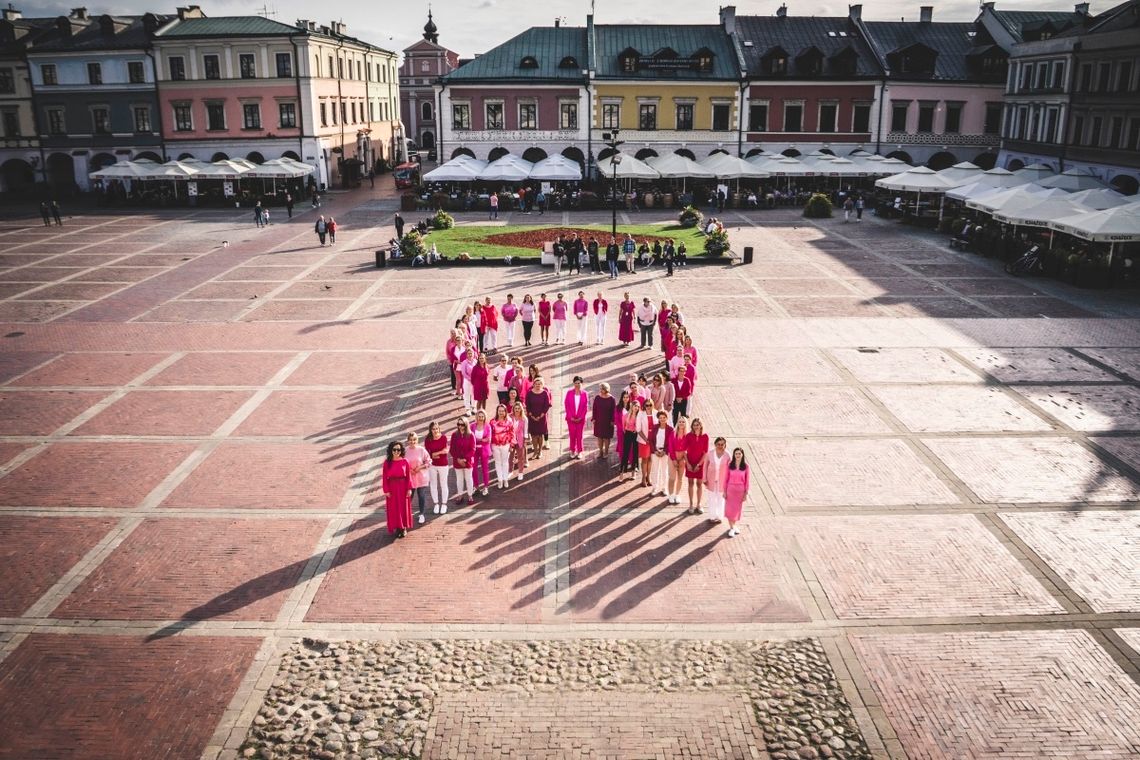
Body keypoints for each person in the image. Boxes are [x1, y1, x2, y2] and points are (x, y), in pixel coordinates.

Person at [381, 441, 413, 538]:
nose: (396, 451)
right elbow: (384, 477)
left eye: (398, 450)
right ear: (391, 450)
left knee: (403, 508)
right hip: (392, 488)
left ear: (401, 451)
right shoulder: (387, 463)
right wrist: (386, 490)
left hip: (403, 487)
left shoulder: (405, 461)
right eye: (394, 449)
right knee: (393, 508)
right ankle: (397, 527)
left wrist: (409, 489)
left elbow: (408, 476)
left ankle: (403, 528)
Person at [683, 418, 709, 514]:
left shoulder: (705, 436)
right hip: (690, 462)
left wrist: (699, 464)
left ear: (701, 425)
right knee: (690, 484)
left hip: (700, 463)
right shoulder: (688, 436)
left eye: (697, 424)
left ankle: (699, 504)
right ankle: (691, 505)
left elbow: (705, 452)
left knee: (699, 484)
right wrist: (688, 464)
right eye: (694, 425)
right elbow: (684, 451)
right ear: (692, 426)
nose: (696, 426)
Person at [405, 431, 431, 525]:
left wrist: (420, 467)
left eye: (414, 439)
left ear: (417, 440)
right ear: (408, 441)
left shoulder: (421, 450)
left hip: (421, 477)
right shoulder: (405, 451)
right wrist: (409, 470)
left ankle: (422, 514)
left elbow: (428, 461)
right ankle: (406, 514)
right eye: (411, 440)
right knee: (409, 496)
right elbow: (402, 463)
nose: (412, 442)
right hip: (410, 478)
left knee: (421, 496)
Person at [449, 418, 477, 505]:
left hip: (467, 461)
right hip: (457, 461)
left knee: (468, 479)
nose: (460, 426)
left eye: (462, 424)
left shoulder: (471, 435)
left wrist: (464, 459)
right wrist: (458, 459)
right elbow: (452, 449)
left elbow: (473, 449)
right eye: (458, 424)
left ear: (466, 424)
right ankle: (460, 495)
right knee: (459, 479)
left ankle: (470, 495)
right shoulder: (454, 435)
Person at [425, 420, 450, 514]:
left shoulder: (443, 438)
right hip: (432, 465)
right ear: (430, 430)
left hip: (443, 464)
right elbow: (427, 454)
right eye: (433, 429)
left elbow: (445, 452)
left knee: (443, 484)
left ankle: (444, 504)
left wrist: (436, 453)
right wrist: (434, 454)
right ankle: (436, 504)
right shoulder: (428, 439)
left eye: (436, 428)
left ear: (439, 429)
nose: (435, 431)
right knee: (433, 485)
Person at [724, 447, 749, 537]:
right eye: (736, 454)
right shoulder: (730, 465)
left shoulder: (746, 466)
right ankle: (731, 528)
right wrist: (724, 491)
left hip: (740, 491)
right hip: (730, 490)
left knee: (736, 510)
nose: (738, 455)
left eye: (739, 454)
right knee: (730, 510)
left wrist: (745, 494)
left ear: (742, 455)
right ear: (734, 455)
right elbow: (725, 479)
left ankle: (734, 526)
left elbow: (747, 481)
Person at [704, 437, 730, 524]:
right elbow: (705, 466)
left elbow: (730, 469)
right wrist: (704, 478)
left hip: (722, 481)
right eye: (718, 444)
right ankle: (712, 516)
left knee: (720, 498)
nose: (720, 446)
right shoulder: (710, 454)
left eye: (722, 444)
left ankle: (719, 516)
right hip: (711, 479)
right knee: (711, 498)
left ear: (725, 445)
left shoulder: (727, 455)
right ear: (715, 444)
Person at [649, 410, 675, 497]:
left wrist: (665, 451)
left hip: (665, 452)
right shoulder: (655, 427)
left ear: (667, 418)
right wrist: (655, 451)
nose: (662, 419)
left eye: (664, 417)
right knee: (655, 470)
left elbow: (671, 443)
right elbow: (651, 440)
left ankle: (664, 488)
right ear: (658, 419)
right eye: (660, 418)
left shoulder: (670, 429)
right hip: (655, 452)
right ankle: (654, 488)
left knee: (664, 471)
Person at [489, 404, 515, 490]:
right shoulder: (492, 422)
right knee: (497, 462)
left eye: (502, 411)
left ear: (505, 412)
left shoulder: (509, 421)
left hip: (506, 444)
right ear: (497, 411)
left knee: (505, 462)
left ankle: (505, 479)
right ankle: (500, 480)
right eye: (499, 411)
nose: (501, 412)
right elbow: (490, 434)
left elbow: (512, 433)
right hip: (495, 445)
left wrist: (511, 445)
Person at [525, 377, 551, 461]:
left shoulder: (545, 393)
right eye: (536, 384)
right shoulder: (529, 393)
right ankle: (535, 452)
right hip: (532, 416)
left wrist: (541, 415)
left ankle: (540, 452)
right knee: (533, 435)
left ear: (542, 385)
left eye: (539, 384)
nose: (538, 385)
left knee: (540, 435)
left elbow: (547, 405)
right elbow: (527, 405)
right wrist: (531, 415)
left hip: (542, 417)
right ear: (533, 384)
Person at [564, 375, 589, 460]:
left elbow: (585, 407)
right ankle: (572, 450)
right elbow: (566, 405)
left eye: (579, 383)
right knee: (572, 435)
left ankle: (580, 451)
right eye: (576, 383)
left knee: (579, 435)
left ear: (581, 383)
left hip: (580, 420)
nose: (577, 384)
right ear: (573, 383)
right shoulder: (569, 392)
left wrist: (581, 417)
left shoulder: (585, 393)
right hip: (570, 419)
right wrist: (571, 417)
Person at [618, 396, 642, 482]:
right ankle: (621, 472)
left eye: (638, 406)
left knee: (635, 453)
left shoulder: (640, 416)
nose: (636, 408)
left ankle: (633, 472)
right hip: (628, 434)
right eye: (635, 406)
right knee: (625, 453)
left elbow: (641, 426)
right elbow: (624, 427)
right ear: (632, 406)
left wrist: (636, 430)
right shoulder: (625, 415)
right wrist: (628, 431)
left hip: (636, 435)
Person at [591, 382, 616, 460]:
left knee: (606, 438)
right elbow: (594, 409)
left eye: (602, 388)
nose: (601, 390)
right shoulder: (597, 397)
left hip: (608, 421)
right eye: (600, 388)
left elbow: (613, 411)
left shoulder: (612, 399)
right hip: (599, 420)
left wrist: (612, 421)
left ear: (606, 389)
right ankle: (600, 452)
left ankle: (606, 452)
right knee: (600, 437)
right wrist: (594, 418)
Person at [471, 409, 493, 497]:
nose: (481, 418)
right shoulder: (472, 426)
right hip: (474, 450)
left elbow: (488, 439)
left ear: (484, 417)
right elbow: (470, 438)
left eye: (482, 416)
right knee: (474, 468)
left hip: (484, 450)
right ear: (476, 417)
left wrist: (478, 440)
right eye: (479, 416)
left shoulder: (487, 426)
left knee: (485, 469)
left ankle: (486, 487)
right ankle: (476, 486)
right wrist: (481, 440)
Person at [668, 417, 689, 505]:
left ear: (685, 424)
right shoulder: (673, 433)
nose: (681, 423)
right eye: (680, 421)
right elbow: (670, 447)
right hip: (673, 456)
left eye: (683, 422)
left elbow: (688, 448)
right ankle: (671, 495)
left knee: (680, 478)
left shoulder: (687, 435)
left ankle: (677, 494)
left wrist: (684, 458)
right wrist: (673, 459)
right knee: (672, 478)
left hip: (682, 458)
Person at [636, 399, 655, 487]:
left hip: (654, 441)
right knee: (644, 459)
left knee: (651, 459)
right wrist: (646, 439)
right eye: (646, 405)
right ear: (644, 406)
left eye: (650, 405)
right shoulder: (640, 414)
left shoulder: (656, 413)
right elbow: (638, 429)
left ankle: (649, 477)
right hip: (644, 440)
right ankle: (643, 478)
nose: (648, 407)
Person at [509, 400, 529, 481]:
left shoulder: (524, 418)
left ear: (521, 409)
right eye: (515, 408)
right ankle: (510, 470)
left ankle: (520, 472)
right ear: (513, 409)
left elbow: (526, 430)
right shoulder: (510, 417)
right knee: (511, 456)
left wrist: (525, 440)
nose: (517, 410)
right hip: (511, 439)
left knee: (521, 456)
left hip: (520, 439)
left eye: (518, 408)